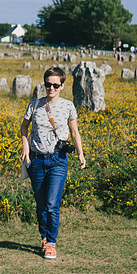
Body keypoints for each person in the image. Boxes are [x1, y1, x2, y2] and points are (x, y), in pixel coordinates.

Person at [19, 67, 86, 259]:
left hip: (58, 159)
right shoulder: (34, 104)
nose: (51, 88)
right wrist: (25, 147)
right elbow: (24, 128)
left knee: (52, 203)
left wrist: (80, 154)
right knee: (41, 204)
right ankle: (44, 236)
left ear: (62, 86)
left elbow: (74, 132)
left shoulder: (68, 106)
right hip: (37, 159)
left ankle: (51, 243)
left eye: (55, 85)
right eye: (48, 84)